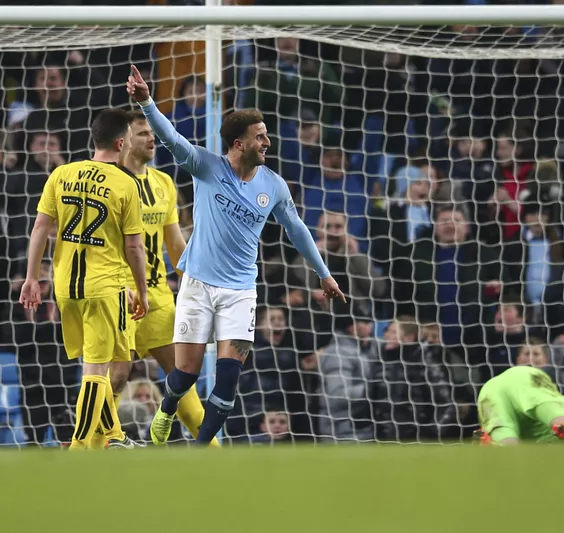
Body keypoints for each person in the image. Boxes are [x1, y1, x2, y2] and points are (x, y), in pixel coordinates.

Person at [126, 65, 345, 446]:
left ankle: (199, 452)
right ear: (239, 143)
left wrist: (324, 274)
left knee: (228, 376)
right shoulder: (206, 167)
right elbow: (170, 137)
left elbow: (297, 230)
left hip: (241, 291)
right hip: (196, 284)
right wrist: (146, 102)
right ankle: (168, 407)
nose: (268, 143)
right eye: (260, 137)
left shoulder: (273, 185)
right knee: (186, 375)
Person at [19, 108, 149, 450]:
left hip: (65, 288)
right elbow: (134, 246)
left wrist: (32, 278)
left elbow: (40, 228)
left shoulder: (62, 174)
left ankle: (114, 436)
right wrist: (141, 289)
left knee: (91, 364)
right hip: (103, 287)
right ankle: (79, 447)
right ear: (121, 143)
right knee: (96, 370)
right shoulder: (126, 183)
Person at [99, 110, 220, 448]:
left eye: (153, 134)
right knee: (116, 377)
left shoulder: (163, 183)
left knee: (183, 384)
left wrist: (200, 285)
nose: (152, 139)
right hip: (118, 296)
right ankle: (95, 447)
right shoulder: (107, 183)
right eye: (143, 134)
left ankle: (216, 456)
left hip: (158, 298)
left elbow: (176, 244)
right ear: (123, 141)